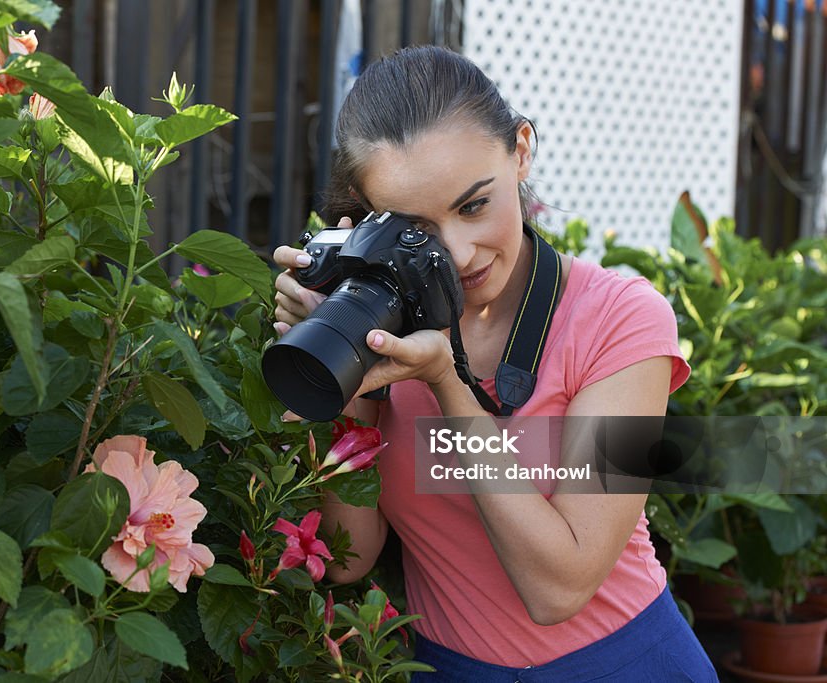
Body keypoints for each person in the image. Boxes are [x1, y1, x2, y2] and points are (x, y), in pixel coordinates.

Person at [272, 46, 717, 682]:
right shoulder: (386, 324)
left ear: (521, 151)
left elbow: (558, 589)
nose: (458, 252)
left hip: (626, 663)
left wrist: (448, 388)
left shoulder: (624, 320)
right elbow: (347, 560)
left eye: (474, 205)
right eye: (417, 229)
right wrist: (341, 361)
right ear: (368, 217)